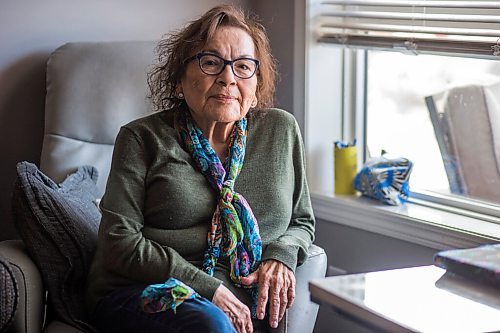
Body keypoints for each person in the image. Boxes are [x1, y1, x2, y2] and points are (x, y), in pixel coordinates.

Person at [85, 4, 315, 333]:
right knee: (209, 324)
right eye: (211, 63)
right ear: (180, 79)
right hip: (144, 292)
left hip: (240, 298)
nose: (228, 77)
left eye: (244, 66)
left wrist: (281, 255)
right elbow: (118, 243)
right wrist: (208, 289)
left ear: (257, 84)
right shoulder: (142, 138)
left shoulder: (280, 131)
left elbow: (302, 220)